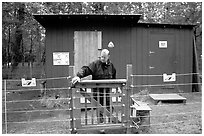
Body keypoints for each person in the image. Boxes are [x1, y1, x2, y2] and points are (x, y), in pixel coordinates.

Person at [72, 49, 116, 125]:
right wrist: (79, 76)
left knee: (109, 107)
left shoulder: (111, 66)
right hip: (97, 92)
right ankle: (101, 125)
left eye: (104, 57)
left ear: (108, 57)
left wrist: (115, 87)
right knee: (99, 109)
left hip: (107, 91)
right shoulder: (95, 64)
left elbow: (114, 77)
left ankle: (111, 124)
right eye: (101, 57)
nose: (102, 58)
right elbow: (86, 69)